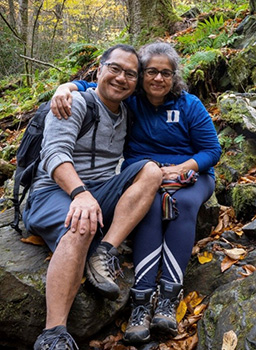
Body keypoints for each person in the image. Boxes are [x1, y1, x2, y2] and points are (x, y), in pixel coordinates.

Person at [50, 41, 222, 344]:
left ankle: (168, 299)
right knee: (151, 208)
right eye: (152, 71)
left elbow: (211, 149)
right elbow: (97, 84)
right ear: (141, 75)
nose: (158, 79)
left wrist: (181, 168)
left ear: (174, 77)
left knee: (179, 204)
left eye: (166, 73)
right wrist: (65, 87)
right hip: (145, 177)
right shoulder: (131, 101)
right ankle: (141, 304)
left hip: (190, 175)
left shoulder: (189, 105)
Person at [22, 44, 163, 350]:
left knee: (151, 171)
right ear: (99, 70)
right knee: (82, 223)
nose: (121, 78)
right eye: (114, 69)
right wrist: (80, 194)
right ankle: (53, 333)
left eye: (130, 74)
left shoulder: (127, 111)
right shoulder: (73, 103)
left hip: (98, 192)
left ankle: (105, 251)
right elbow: (54, 155)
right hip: (54, 192)